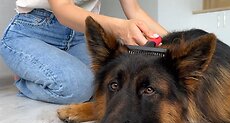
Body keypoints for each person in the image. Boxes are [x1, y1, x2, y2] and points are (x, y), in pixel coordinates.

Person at [0, 0, 167, 104]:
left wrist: (176, 43)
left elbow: (135, 11)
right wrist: (119, 28)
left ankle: (43, 70)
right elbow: (62, 9)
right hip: (32, 31)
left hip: (80, 36)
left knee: (108, 84)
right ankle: (24, 80)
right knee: (79, 88)